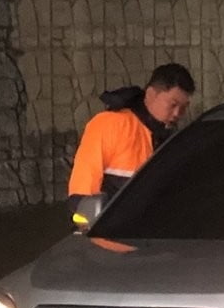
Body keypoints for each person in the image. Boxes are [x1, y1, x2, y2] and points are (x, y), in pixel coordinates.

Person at [67, 63, 195, 213]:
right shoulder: (110, 124)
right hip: (110, 230)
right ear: (151, 94)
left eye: (184, 107)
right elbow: (82, 197)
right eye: (172, 104)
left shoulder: (172, 140)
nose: (177, 113)